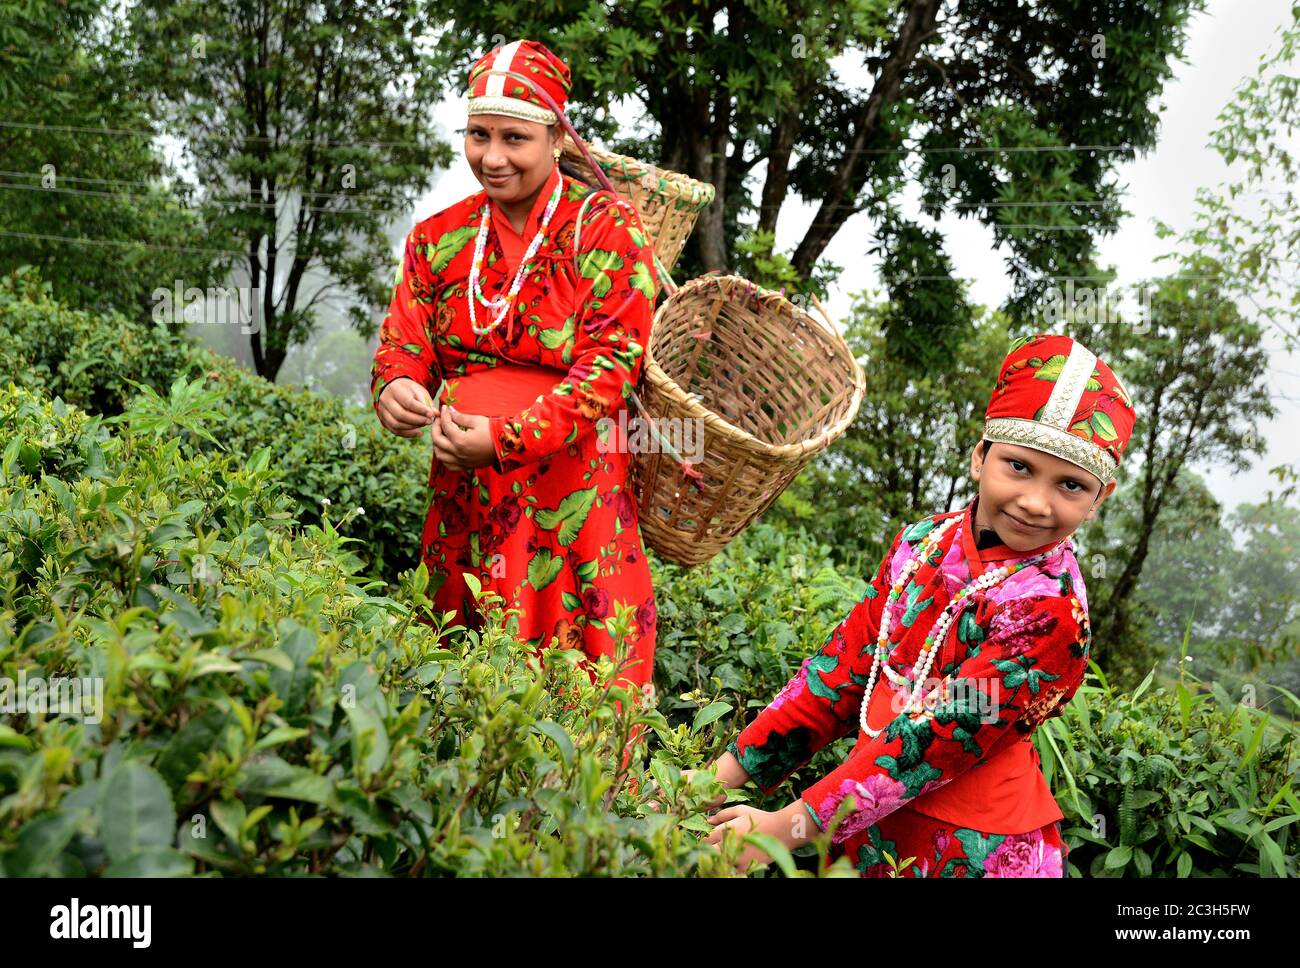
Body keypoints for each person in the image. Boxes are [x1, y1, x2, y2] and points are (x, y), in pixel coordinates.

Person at [699, 333, 1138, 877]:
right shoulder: (922, 543)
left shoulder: (1052, 613)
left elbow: (928, 744)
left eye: (1070, 485)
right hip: (860, 823)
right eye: (1019, 467)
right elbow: (839, 673)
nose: (1035, 501)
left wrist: (781, 829)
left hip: (968, 850)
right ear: (980, 457)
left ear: (1101, 498)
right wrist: (708, 782)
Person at [370, 39, 660, 715]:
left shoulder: (608, 229)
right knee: (461, 686)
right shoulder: (437, 237)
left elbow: (611, 365)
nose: (491, 157)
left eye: (513, 138)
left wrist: (502, 438)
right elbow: (404, 341)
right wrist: (397, 386)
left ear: (557, 137)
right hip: (464, 499)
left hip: (571, 501)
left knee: (578, 695)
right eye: (477, 135)